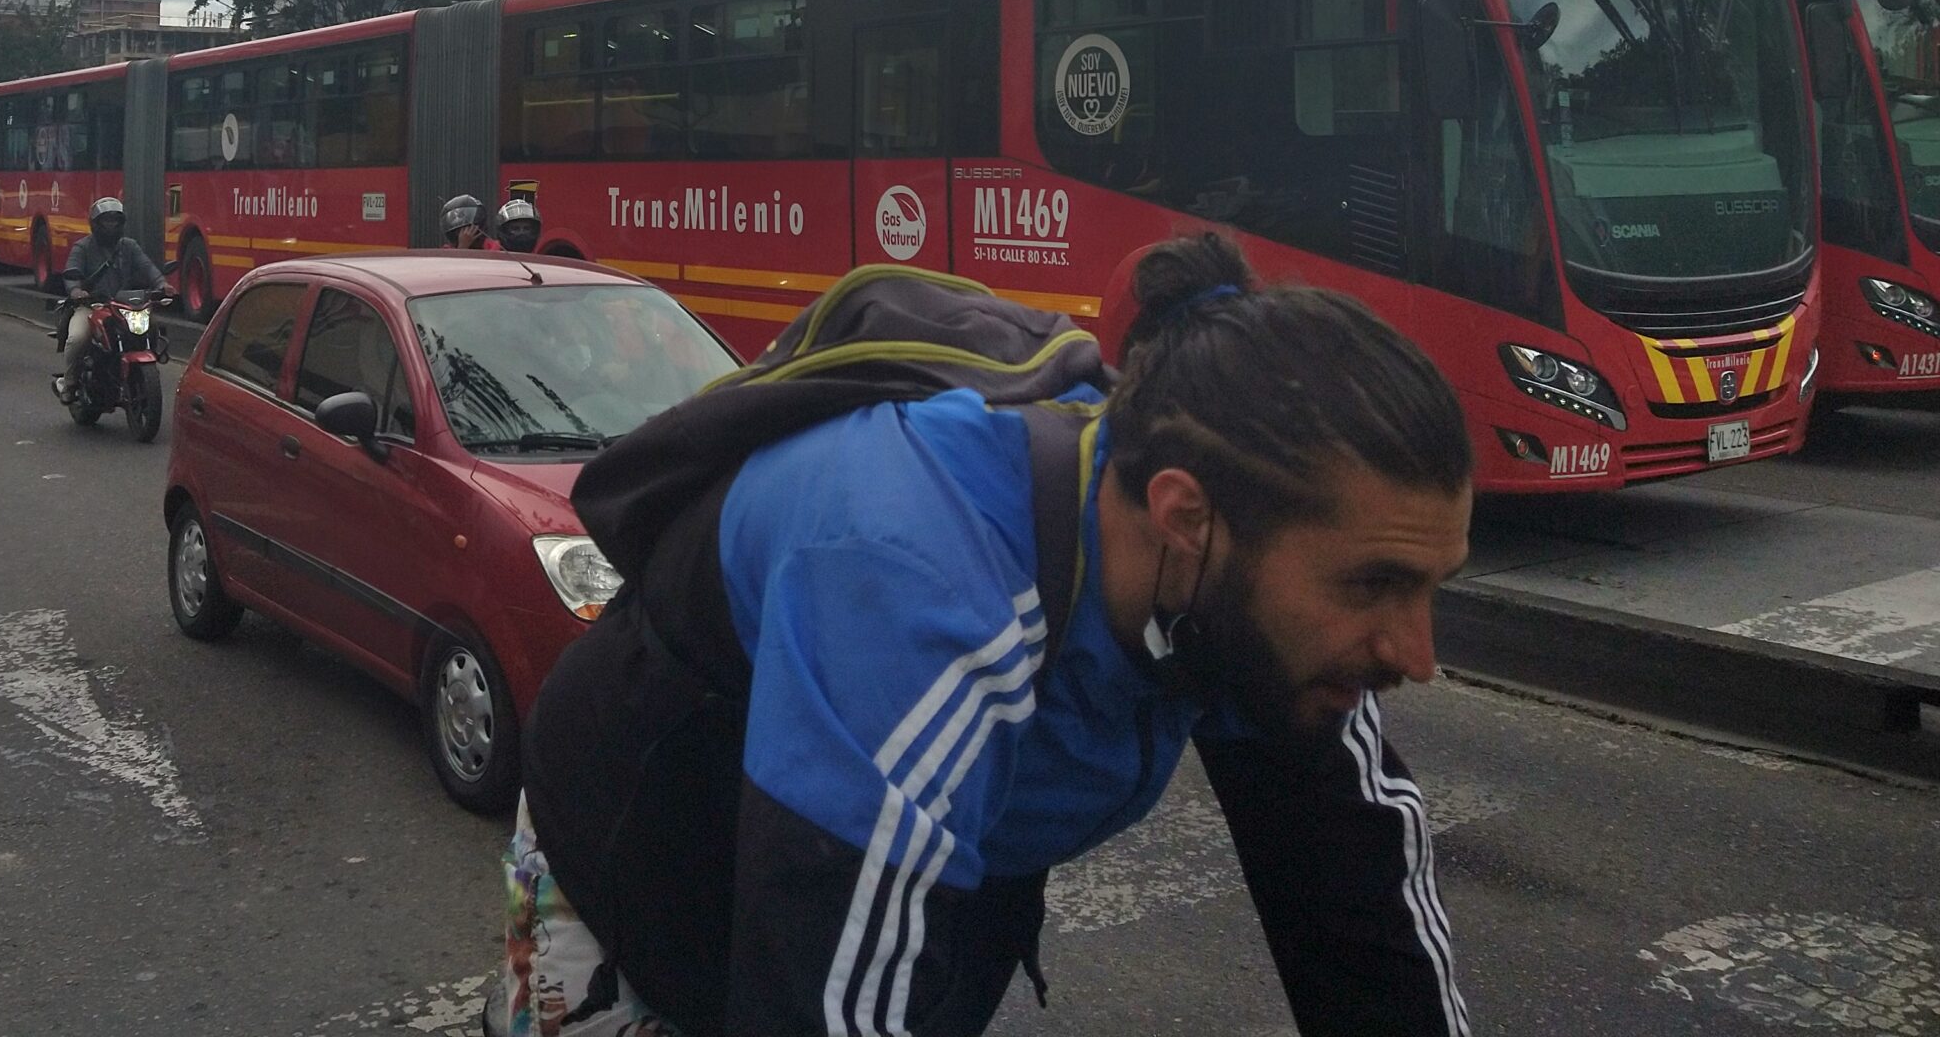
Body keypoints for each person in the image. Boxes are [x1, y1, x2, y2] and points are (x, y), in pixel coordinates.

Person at [495, 232, 1475, 1037]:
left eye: (1432, 588)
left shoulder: (1265, 609)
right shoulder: (921, 580)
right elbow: (825, 1005)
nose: (1415, 655)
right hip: (642, 835)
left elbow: (1362, 925)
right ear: (1186, 517)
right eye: (1375, 585)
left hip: (898, 872)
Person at [57, 197, 164, 398]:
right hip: (92, 306)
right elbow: (71, 273)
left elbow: (147, 267)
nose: (111, 226)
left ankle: (147, 363)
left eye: (115, 222)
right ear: (96, 224)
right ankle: (69, 383)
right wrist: (76, 291)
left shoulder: (130, 246)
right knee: (78, 338)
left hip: (124, 306)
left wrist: (162, 284)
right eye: (107, 222)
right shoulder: (83, 247)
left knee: (153, 325)